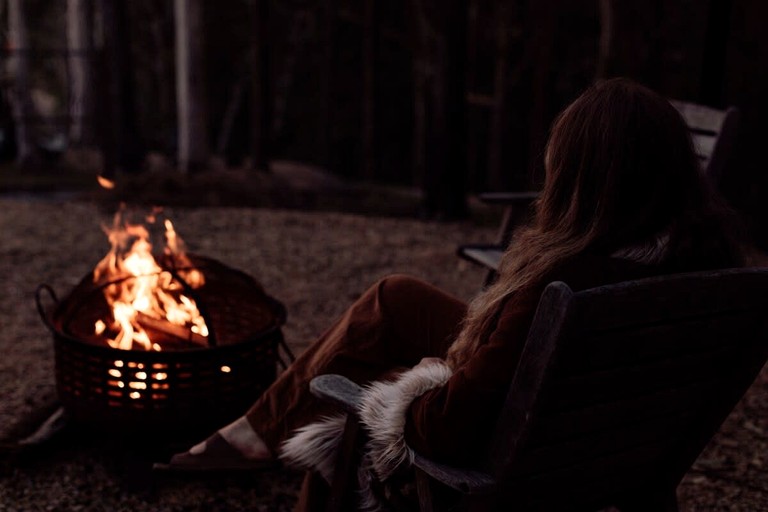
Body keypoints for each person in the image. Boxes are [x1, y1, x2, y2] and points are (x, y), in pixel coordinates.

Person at [162, 78, 749, 509]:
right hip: (605, 438)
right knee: (394, 299)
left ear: (580, 180)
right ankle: (257, 428)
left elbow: (444, 430)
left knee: (351, 404)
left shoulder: (561, 289)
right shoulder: (711, 266)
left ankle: (255, 436)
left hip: (516, 452)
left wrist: (420, 376)